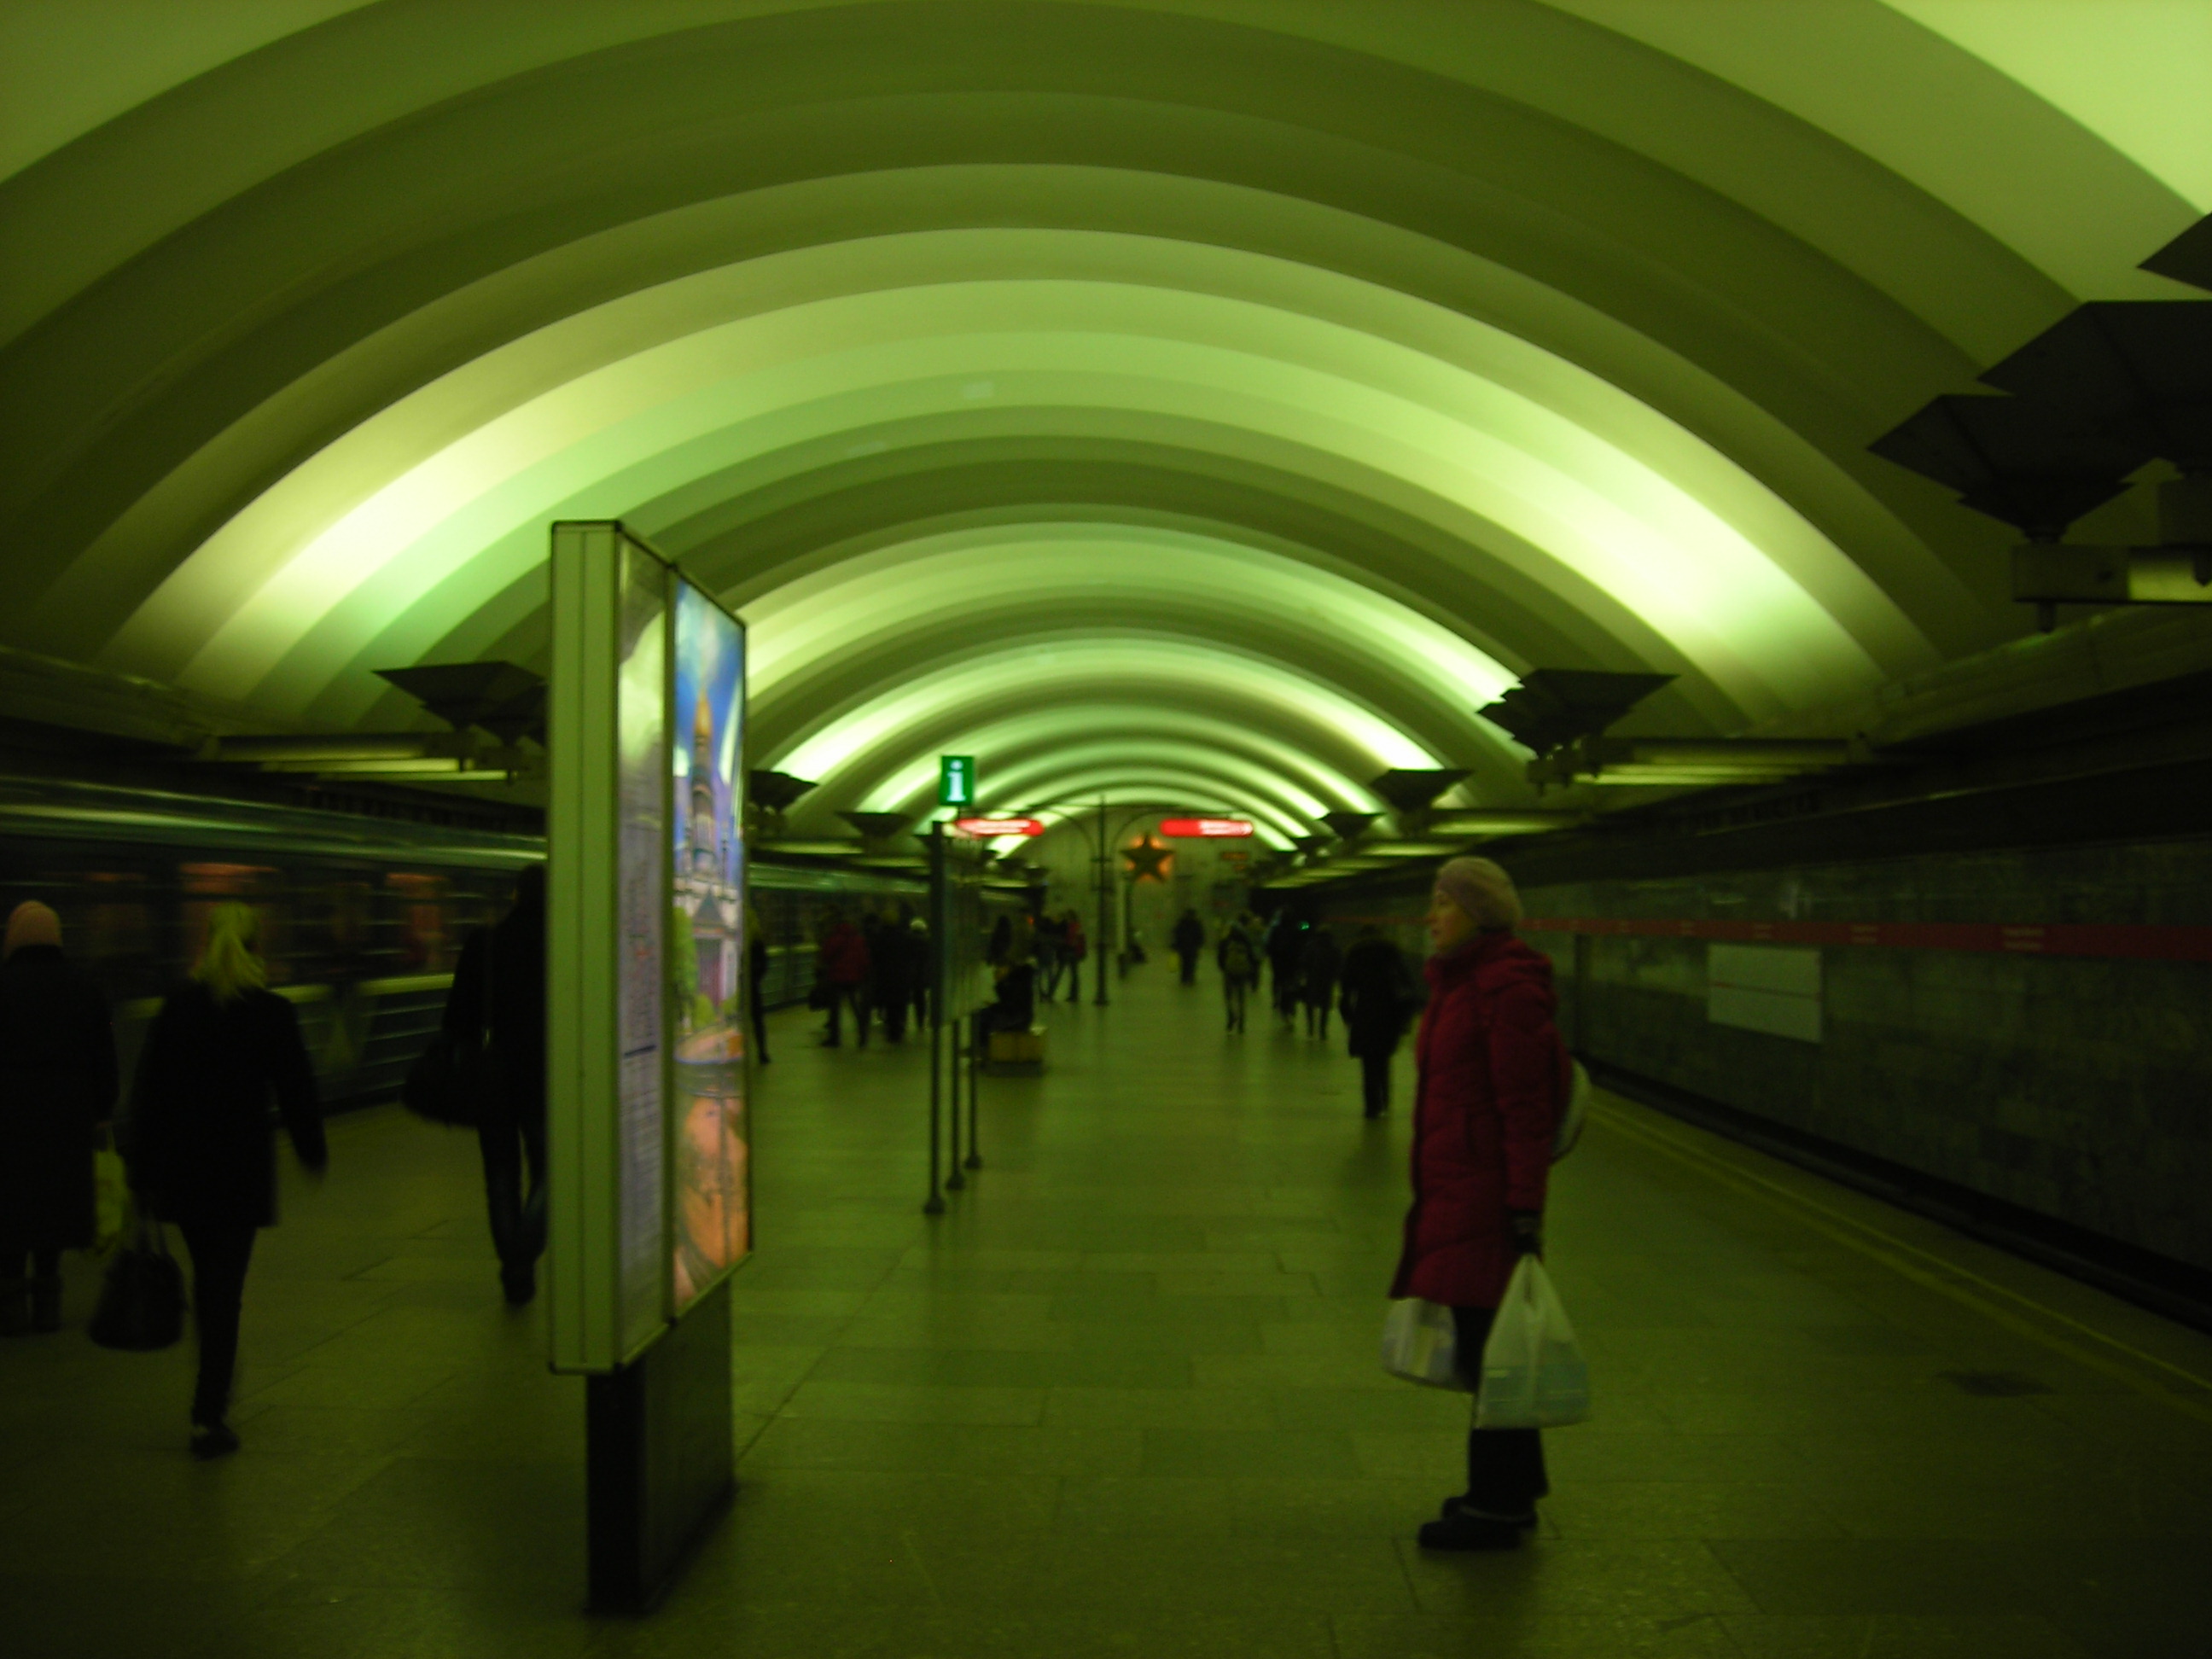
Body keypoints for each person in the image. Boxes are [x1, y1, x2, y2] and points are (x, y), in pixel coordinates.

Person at [1392, 858, 1560, 1551]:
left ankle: (1498, 1505)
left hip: (1485, 1200)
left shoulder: (1505, 990)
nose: (1431, 916)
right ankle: (1507, 1493)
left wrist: (1524, 1207)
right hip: (1456, 1188)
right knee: (1489, 1349)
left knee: (1493, 1353)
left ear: (1478, 914)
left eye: (1444, 903)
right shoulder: (1458, 984)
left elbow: (1526, 1108)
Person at [126, 902, 325, 1459]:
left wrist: (142, 1172)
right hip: (240, 1175)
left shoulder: (179, 1007)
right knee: (224, 1289)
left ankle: (210, 1393)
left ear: (205, 942)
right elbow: (297, 1090)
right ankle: (207, 1413)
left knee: (207, 1281)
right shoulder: (271, 1012)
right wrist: (312, 1152)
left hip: (186, 1174)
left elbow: (149, 1094)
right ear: (257, 947)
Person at [0, 902, 119, 1336]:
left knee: (11, 1206)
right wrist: (102, 1110)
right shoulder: (83, 987)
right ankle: (48, 1303)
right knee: (52, 1207)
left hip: (9, 1117)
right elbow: (104, 1056)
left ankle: (11, 1306)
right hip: (67, 1116)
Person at [442, 865, 548, 1304]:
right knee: (552, 1171)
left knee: (500, 1177)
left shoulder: (484, 944)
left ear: (515, 896)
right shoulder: (566, 945)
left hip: (494, 1078)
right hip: (548, 1077)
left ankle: (514, 1266)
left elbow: (456, 1019)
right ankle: (523, 1253)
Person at [1339, 923, 1415, 1117]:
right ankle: (1385, 1101)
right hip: (1389, 1014)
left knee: (1368, 1063)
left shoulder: (1355, 954)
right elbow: (1406, 984)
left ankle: (1371, 1106)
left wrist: (1347, 1016)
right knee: (1383, 1058)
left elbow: (1346, 989)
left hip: (1364, 1012)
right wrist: (1405, 1017)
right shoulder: (1392, 953)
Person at [817, 908, 870, 1047]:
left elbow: (826, 955)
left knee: (835, 1009)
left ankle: (835, 1038)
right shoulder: (858, 939)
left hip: (837, 977)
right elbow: (863, 959)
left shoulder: (834, 937)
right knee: (855, 1007)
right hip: (854, 978)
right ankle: (862, 1035)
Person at [1299, 923, 1342, 1038]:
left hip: (1312, 979)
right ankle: (1322, 1030)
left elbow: (1304, 962)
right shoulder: (1334, 948)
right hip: (1327, 980)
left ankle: (1311, 1028)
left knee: (1310, 1004)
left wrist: (1304, 974)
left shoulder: (1311, 946)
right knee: (1325, 1006)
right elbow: (1338, 964)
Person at [1216, 917, 1258, 1033]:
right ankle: (1241, 1023)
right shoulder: (1246, 940)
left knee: (1229, 996)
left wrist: (1223, 967)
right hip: (1242, 972)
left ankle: (1231, 1016)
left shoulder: (1226, 940)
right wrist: (1251, 972)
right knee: (1241, 997)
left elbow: (1220, 956)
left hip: (1229, 971)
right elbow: (1252, 957)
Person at [1266, 911, 1306, 1026]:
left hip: (1278, 964)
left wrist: (1273, 958)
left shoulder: (1276, 930)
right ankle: (1290, 1009)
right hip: (1292, 966)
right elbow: (1300, 947)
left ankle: (1278, 1002)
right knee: (1290, 987)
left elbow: (1270, 946)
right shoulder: (1295, 930)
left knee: (1278, 982)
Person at [747, 905, 771, 1066]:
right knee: (758, 1021)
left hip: (745, 986)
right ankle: (762, 1052)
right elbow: (764, 964)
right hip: (754, 986)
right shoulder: (758, 941)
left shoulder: (745, 940)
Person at [1171, 909, 1205, 985]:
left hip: (1188, 947)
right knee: (1188, 963)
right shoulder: (1195, 924)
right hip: (1188, 947)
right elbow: (1200, 935)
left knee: (1189, 963)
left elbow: (1176, 934)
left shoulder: (1183, 923)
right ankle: (1187, 978)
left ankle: (1187, 978)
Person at [1060, 910, 1086, 1002]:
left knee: (1074, 973)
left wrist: (1071, 944)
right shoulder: (1074, 926)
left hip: (1073, 951)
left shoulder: (1074, 926)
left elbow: (1076, 938)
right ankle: (1073, 994)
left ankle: (1074, 995)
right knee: (1073, 973)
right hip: (1073, 951)